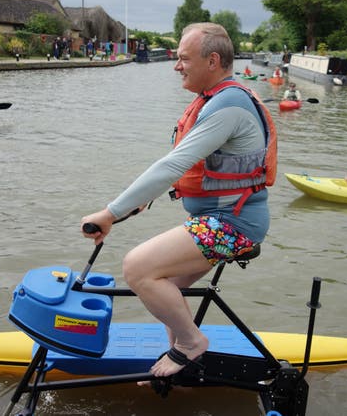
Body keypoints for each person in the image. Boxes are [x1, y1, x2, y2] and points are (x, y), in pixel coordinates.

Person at [81, 22, 276, 379]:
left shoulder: (228, 105)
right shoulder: (219, 98)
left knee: (137, 268)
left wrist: (111, 213)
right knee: (164, 281)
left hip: (233, 225)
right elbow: (190, 169)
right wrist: (142, 201)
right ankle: (184, 359)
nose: (176, 65)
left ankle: (190, 343)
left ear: (213, 60)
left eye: (184, 58)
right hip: (221, 221)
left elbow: (172, 165)